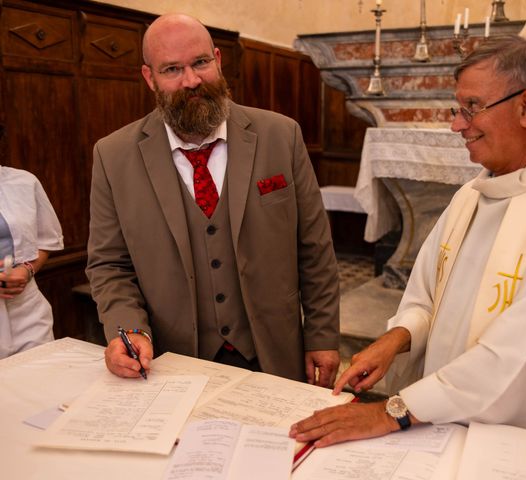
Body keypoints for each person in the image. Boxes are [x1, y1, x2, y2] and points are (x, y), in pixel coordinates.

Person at [290, 35, 526, 448]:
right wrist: (397, 338)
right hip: (440, 420)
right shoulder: (472, 194)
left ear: (525, 107)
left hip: (521, 443)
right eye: (458, 108)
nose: (456, 123)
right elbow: (429, 295)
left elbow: (521, 355)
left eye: (473, 108)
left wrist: (391, 410)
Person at [86, 13, 340, 386]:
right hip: (172, 364)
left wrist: (321, 335)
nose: (192, 81)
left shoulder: (281, 137)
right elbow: (110, 264)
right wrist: (129, 330)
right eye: (172, 69)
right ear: (149, 77)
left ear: (218, 61)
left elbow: (314, 249)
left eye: (201, 63)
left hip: (274, 356)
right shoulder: (113, 156)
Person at [0, 166, 64, 358]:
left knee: (40, 380)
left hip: (26, 307)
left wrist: (28, 269)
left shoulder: (25, 181)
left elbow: (46, 239)